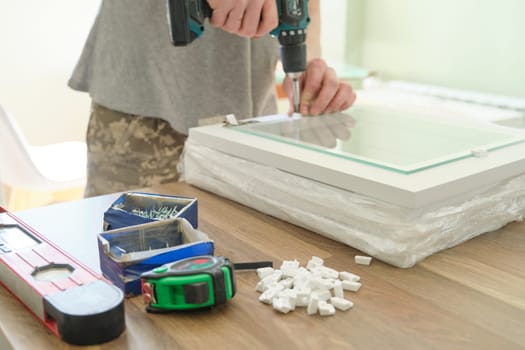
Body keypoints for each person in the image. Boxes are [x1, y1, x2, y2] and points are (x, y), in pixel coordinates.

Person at [69, 0, 356, 197]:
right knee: (129, 266)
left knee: (245, 268)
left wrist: (307, 63)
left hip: (250, 121)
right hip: (147, 111)